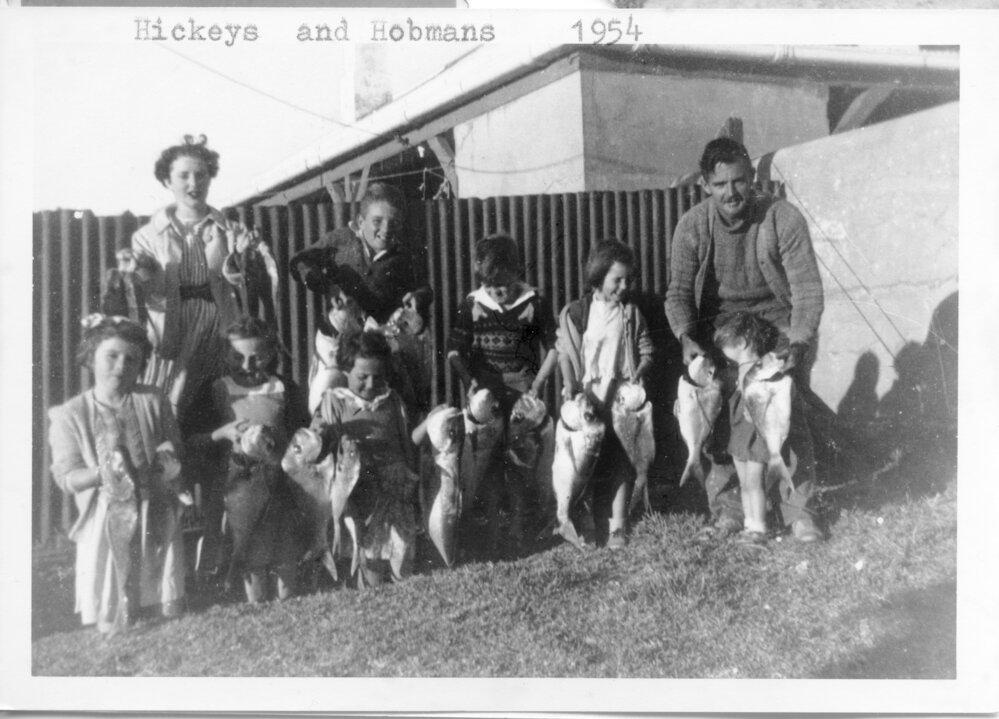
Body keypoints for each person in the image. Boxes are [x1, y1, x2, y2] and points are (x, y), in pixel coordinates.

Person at [664, 137, 824, 542]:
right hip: (720, 332)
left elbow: (807, 289)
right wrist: (685, 336)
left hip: (777, 326)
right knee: (718, 419)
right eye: (720, 185)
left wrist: (799, 343)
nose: (731, 193)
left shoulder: (781, 218)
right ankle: (730, 508)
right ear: (705, 184)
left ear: (752, 177)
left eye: (738, 181)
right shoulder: (693, 227)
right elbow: (679, 292)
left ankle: (798, 510)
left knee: (788, 412)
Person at [48, 315, 187, 633]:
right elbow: (67, 477)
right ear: (91, 355)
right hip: (106, 512)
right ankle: (114, 614)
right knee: (112, 571)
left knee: (155, 558)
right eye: (111, 356)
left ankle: (160, 607)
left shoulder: (152, 400)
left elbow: (174, 444)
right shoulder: (69, 414)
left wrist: (167, 455)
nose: (121, 366)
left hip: (152, 502)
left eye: (131, 360)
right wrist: (104, 473)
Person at [130, 135, 259, 430]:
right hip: (174, 337)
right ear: (167, 181)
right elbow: (152, 293)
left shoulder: (230, 229)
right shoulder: (147, 236)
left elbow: (241, 282)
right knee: (165, 412)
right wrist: (143, 271)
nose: (193, 183)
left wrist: (243, 256)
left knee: (223, 408)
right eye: (183, 175)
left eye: (201, 175)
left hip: (219, 331)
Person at [447, 234, 558, 549]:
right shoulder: (472, 304)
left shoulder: (534, 302)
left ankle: (520, 529)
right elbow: (454, 349)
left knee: (521, 459)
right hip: (487, 394)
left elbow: (554, 347)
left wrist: (539, 384)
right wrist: (468, 379)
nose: (499, 293)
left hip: (522, 388)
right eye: (492, 288)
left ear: (518, 271)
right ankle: (494, 532)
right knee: (491, 462)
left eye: (505, 286)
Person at [197, 317, 307, 602]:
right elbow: (196, 440)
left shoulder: (284, 388)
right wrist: (223, 433)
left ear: (270, 354)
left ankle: (290, 606)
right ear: (225, 355)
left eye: (256, 358)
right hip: (239, 486)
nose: (246, 366)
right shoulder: (217, 389)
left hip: (281, 483)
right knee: (251, 550)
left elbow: (302, 432)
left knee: (285, 550)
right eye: (237, 357)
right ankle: (256, 607)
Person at [556, 239, 654, 549]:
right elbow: (564, 354)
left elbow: (646, 349)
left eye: (629, 279)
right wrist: (570, 384)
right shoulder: (577, 312)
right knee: (584, 464)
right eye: (617, 279)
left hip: (619, 400)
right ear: (598, 276)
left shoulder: (631, 314)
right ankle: (582, 524)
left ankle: (618, 529)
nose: (624, 286)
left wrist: (642, 369)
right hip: (588, 399)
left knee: (619, 462)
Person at [311, 330, 419, 587]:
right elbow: (318, 447)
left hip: (395, 493)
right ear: (346, 371)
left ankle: (409, 609)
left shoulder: (392, 401)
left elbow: (405, 442)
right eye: (362, 377)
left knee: (403, 557)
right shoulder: (334, 402)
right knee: (369, 560)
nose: (371, 384)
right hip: (360, 496)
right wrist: (321, 435)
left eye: (378, 377)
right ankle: (372, 605)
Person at [712, 311, 807, 546]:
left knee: (754, 482)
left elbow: (781, 389)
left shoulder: (763, 366)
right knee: (745, 482)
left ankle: (759, 527)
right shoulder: (737, 370)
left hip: (755, 434)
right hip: (739, 435)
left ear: (742, 343)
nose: (723, 352)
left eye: (726, 346)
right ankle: (749, 523)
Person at [289, 182, 430, 326]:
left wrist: (418, 297)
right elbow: (299, 261)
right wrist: (328, 287)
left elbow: (425, 289)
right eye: (377, 221)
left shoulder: (402, 256)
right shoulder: (341, 240)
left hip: (382, 339)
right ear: (361, 221)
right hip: (341, 337)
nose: (386, 229)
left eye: (393, 223)